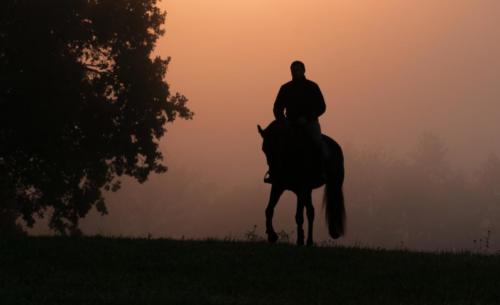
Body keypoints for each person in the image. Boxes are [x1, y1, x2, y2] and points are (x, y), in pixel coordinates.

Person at [266, 60, 326, 183]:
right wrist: (283, 121)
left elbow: (321, 106)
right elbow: (277, 108)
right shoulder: (285, 88)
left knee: (316, 142)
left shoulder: (312, 86)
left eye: (298, 70)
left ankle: (321, 171)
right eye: (293, 70)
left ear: (304, 71)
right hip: (290, 124)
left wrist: (307, 118)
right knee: (277, 144)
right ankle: (274, 172)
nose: (295, 72)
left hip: (310, 123)